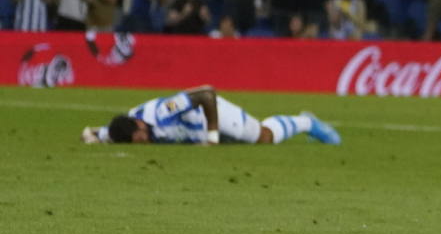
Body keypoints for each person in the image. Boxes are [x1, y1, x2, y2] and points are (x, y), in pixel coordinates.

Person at [81, 85, 342, 145]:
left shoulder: (163, 112)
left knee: (263, 137)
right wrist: (92, 136)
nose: (143, 142)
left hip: (213, 115)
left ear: (140, 124)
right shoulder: (125, 129)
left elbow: (206, 94)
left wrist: (213, 135)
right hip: (199, 135)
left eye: (139, 137)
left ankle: (309, 122)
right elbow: (94, 132)